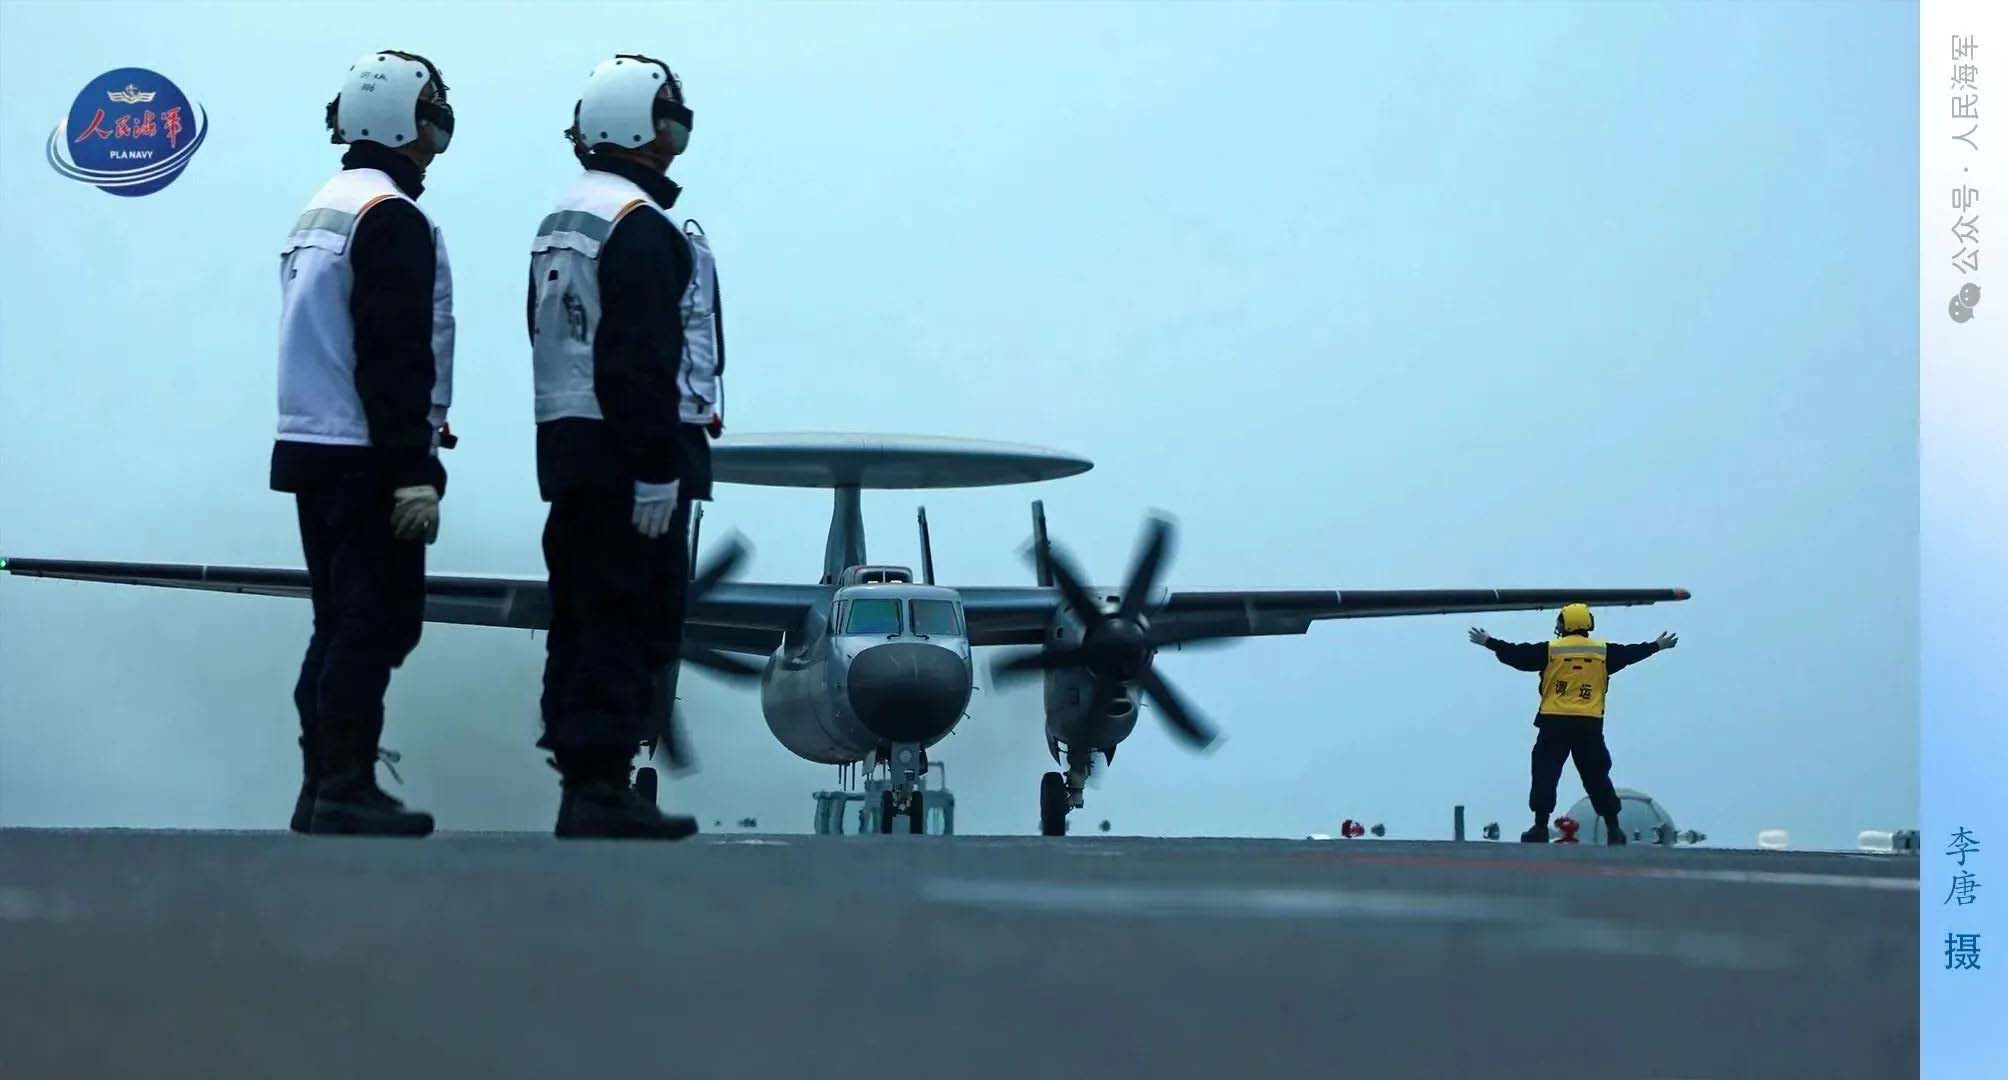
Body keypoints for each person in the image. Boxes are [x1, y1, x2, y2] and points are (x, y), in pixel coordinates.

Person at [526, 53, 724, 839]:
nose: (677, 135)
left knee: (581, 613)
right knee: (631, 614)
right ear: (637, 127)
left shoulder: (564, 219)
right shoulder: (639, 227)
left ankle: (584, 780)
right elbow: (640, 359)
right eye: (669, 119)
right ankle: (602, 786)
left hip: (569, 445)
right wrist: (655, 469)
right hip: (627, 452)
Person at [273, 51, 458, 836]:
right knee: (375, 621)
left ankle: (321, 784)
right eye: (431, 113)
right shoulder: (391, 217)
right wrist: (412, 469)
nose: (438, 130)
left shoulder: (324, 208)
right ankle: (345, 785)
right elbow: (393, 354)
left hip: (312, 444)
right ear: (400, 122)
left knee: (337, 620)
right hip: (366, 451)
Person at [1468, 603, 1677, 845]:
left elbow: (1517, 654)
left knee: (1545, 774)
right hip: (1589, 724)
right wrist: (1657, 645)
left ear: (1564, 624)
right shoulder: (1603, 652)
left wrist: (1489, 641)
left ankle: (1540, 827)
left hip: (1554, 722)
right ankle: (1613, 829)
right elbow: (1632, 653)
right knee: (1597, 776)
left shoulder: (1551, 650)